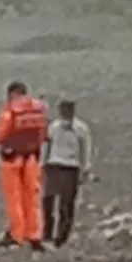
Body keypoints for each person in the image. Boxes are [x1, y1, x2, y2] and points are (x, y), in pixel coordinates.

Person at [0, 81, 48, 249]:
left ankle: (17, 235)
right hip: (32, 158)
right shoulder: (39, 109)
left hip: (12, 159)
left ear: (11, 94)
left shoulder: (11, 111)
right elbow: (43, 133)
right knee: (32, 197)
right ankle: (34, 235)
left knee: (14, 197)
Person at [42, 99, 92, 247]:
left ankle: (61, 237)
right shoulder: (54, 127)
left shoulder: (81, 129)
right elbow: (47, 145)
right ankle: (47, 234)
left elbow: (85, 149)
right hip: (53, 165)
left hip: (71, 167)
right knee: (47, 201)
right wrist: (43, 164)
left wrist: (85, 169)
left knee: (66, 204)